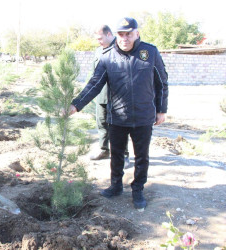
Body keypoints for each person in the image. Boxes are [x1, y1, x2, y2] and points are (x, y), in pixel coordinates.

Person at [68, 17, 168, 209]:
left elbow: (162, 82)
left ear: (136, 33)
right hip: (117, 117)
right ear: (116, 35)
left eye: (128, 34)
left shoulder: (150, 52)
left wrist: (161, 110)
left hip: (143, 116)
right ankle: (115, 186)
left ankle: (138, 189)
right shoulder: (107, 57)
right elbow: (94, 84)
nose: (124, 38)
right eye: (121, 34)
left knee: (141, 157)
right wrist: (76, 105)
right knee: (116, 154)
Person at [89, 25, 130, 168]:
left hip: (117, 96)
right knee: (102, 124)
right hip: (101, 95)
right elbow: (94, 75)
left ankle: (124, 155)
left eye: (100, 38)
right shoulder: (98, 51)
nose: (98, 41)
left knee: (120, 127)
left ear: (109, 34)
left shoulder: (120, 48)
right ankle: (103, 150)